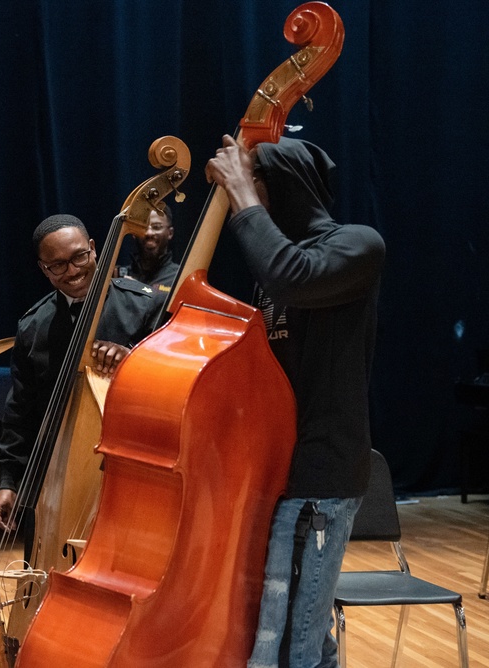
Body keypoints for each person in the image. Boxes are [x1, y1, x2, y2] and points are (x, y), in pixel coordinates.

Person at [205, 134, 385, 668]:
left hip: (320, 479)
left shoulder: (357, 246)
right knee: (302, 641)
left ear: (281, 186)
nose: (243, 199)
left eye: (255, 183)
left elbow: (291, 274)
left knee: (286, 646)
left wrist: (242, 192)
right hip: (276, 475)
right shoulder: (275, 272)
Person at [0, 214, 164, 533]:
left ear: (94, 249)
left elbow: (171, 383)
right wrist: (9, 481)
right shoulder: (33, 327)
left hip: (131, 475)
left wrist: (135, 360)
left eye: (79, 256)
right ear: (44, 269)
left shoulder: (147, 306)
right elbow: (20, 415)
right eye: (57, 265)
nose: (72, 270)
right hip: (55, 483)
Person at [116, 202, 179, 296]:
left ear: (170, 233)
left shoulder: (180, 278)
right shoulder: (118, 276)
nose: (149, 233)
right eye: (143, 227)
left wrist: (138, 288)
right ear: (134, 233)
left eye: (157, 227)